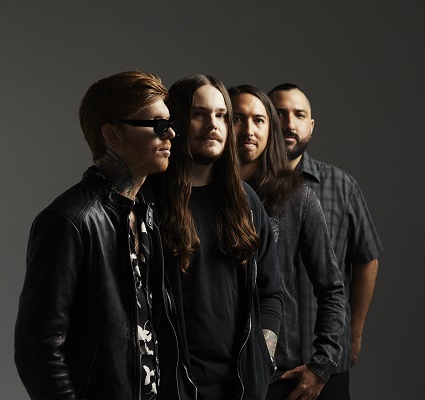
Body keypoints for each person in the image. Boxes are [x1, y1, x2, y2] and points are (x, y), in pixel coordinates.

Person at [14, 70, 185, 400]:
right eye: (158, 125)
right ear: (113, 134)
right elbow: (37, 347)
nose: (171, 133)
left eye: (170, 123)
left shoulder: (146, 214)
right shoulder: (69, 220)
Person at [146, 74, 283, 400]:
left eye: (221, 115)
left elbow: (271, 291)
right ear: (176, 122)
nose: (213, 125)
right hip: (173, 387)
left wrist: (263, 358)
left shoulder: (246, 202)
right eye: (199, 114)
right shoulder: (149, 202)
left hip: (239, 387)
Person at [229, 84, 345, 400]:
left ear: (271, 131)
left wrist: (322, 365)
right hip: (211, 372)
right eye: (237, 118)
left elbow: (332, 289)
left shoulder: (298, 198)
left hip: (276, 374)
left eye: (259, 120)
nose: (248, 130)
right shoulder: (203, 194)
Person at [268, 83, 384, 399]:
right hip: (267, 367)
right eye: (279, 113)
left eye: (299, 115)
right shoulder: (246, 188)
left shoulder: (341, 186)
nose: (289, 123)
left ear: (311, 125)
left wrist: (354, 332)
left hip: (327, 360)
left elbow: (367, 258)